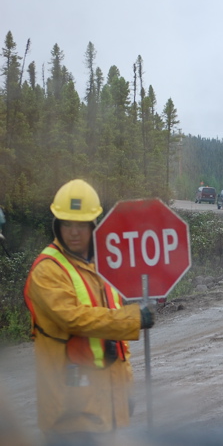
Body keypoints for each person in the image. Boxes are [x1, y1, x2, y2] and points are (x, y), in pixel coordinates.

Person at [23, 179, 155, 445]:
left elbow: (111, 335)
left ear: (94, 225)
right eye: (67, 223)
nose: (74, 232)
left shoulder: (103, 264)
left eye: (81, 224)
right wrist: (132, 318)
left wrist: (123, 393)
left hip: (106, 403)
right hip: (70, 411)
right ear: (56, 226)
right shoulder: (47, 270)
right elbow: (74, 318)